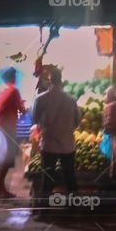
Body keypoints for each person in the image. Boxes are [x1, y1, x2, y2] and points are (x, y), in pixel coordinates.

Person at [32, 68, 81, 207]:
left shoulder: (41, 99)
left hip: (49, 145)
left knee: (47, 179)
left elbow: (35, 119)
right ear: (61, 79)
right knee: (70, 178)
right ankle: (74, 208)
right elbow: (77, 121)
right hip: (67, 145)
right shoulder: (71, 99)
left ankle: (44, 210)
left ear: (49, 79)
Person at [0, 68, 25, 199]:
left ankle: (0, 189)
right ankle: (0, 190)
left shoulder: (4, 90)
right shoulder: (14, 90)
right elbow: (22, 110)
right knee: (6, 159)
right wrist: (23, 107)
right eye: (15, 74)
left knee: (2, 159)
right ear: (12, 76)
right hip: (7, 130)